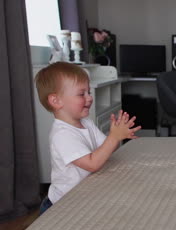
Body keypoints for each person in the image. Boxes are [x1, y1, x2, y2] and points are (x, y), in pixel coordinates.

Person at [35, 62, 141, 215]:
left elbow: (107, 149)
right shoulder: (62, 135)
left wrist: (118, 134)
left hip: (84, 195)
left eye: (89, 92)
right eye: (81, 94)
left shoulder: (87, 123)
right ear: (56, 101)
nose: (90, 98)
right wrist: (114, 137)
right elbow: (92, 164)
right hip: (62, 204)